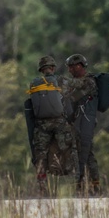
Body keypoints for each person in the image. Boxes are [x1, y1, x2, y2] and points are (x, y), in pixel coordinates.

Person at [27, 55, 77, 193]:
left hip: (41, 124)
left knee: (40, 155)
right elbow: (70, 97)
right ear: (53, 68)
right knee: (68, 150)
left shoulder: (34, 83)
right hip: (59, 122)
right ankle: (76, 183)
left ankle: (43, 187)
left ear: (41, 70)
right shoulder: (60, 80)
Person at [62, 53, 100, 193]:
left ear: (79, 66)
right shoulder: (75, 83)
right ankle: (85, 185)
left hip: (86, 122)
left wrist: (65, 85)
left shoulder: (89, 81)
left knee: (85, 153)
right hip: (76, 123)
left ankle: (90, 184)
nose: (70, 70)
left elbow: (75, 94)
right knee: (81, 153)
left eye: (72, 67)